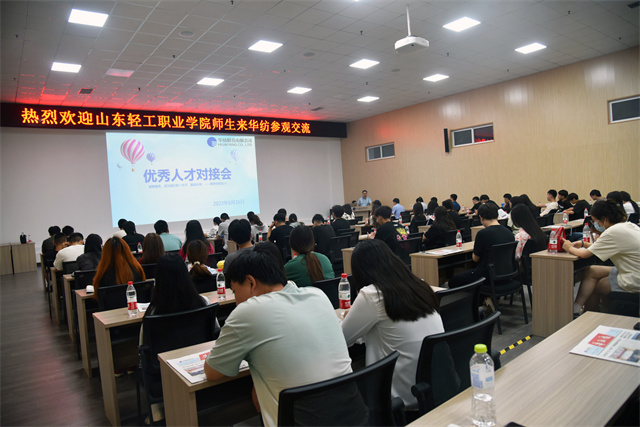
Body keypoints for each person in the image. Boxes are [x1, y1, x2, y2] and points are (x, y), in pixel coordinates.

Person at [204, 250, 353, 427]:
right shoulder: (317, 295)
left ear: (251, 282)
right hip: (353, 416)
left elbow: (212, 372)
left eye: (235, 291)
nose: (236, 301)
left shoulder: (247, 312)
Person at [342, 239, 444, 410]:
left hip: (398, 398)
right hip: (435, 387)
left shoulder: (372, 295)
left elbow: (342, 338)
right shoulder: (419, 285)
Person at [142, 252, 212, 423]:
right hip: (199, 363)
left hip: (161, 373)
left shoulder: (153, 312)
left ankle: (157, 408)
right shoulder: (203, 303)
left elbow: (143, 347)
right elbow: (214, 331)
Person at [561, 199, 640, 316]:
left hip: (635, 278)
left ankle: (590, 316)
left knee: (598, 285)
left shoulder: (612, 232)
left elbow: (584, 254)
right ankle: (577, 308)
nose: (595, 224)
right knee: (592, 270)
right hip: (633, 269)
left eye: (595, 220)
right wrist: (583, 244)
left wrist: (568, 247)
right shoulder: (628, 225)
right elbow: (604, 247)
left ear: (604, 219)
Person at [448, 204, 515, 288]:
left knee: (452, 281)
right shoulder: (508, 232)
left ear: (481, 217)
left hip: (486, 275)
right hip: (506, 273)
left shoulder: (482, 234)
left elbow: (475, 259)